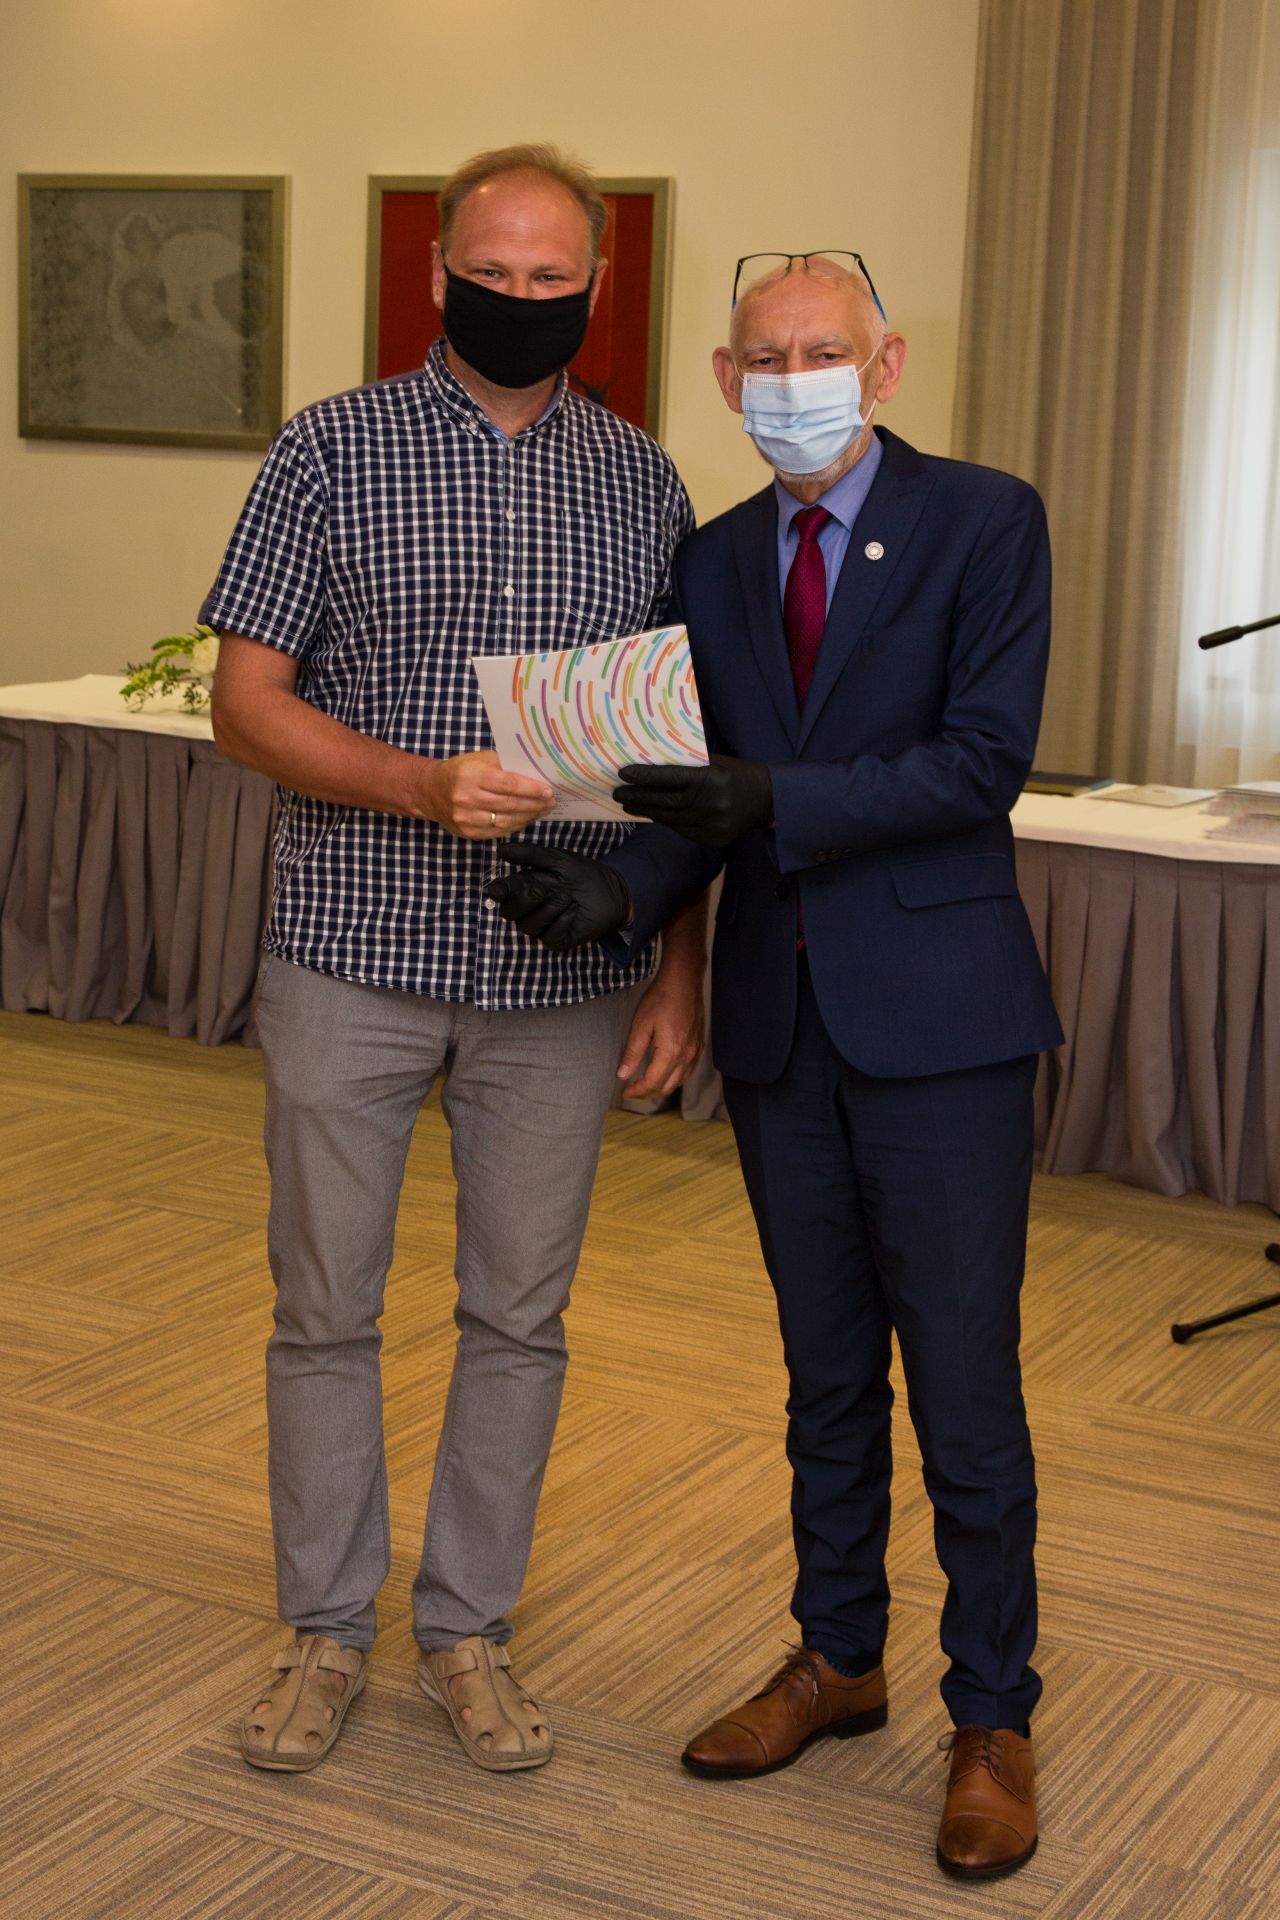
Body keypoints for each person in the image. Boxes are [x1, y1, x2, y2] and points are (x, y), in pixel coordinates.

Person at [487, 250, 1063, 1878]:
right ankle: (840, 1655)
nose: (795, 377)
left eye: (824, 349)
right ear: (728, 382)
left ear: (884, 364)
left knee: (964, 1389)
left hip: (942, 1022)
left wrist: (775, 805)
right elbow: (693, 785)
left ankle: (993, 1714)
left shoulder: (985, 520)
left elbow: (982, 762)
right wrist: (626, 892)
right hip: (779, 1024)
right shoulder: (715, 554)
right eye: (766, 356)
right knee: (823, 1378)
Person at [204, 144, 706, 1776]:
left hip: (561, 982)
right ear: (438, 272)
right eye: (494, 271)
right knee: (323, 1308)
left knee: (520, 1316)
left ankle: (467, 1630)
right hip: (351, 947)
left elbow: (678, 756)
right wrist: (416, 784)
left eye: (553, 276)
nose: (522, 296)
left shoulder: (645, 483)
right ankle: (325, 1629)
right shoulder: (327, 450)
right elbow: (245, 705)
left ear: (596, 286)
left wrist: (679, 965)